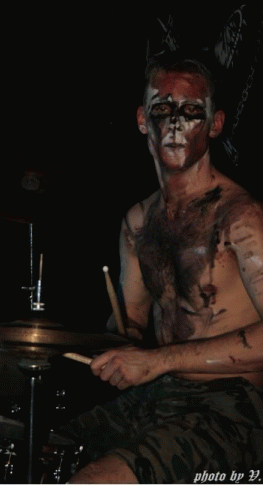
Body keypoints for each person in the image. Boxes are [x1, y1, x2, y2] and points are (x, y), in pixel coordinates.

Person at [63, 56, 263, 483]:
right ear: (142, 120)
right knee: (43, 456)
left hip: (232, 406)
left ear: (215, 124)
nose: (174, 124)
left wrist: (157, 360)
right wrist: (111, 347)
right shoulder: (138, 222)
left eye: (191, 111)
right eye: (162, 109)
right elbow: (130, 323)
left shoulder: (241, 217)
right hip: (158, 395)